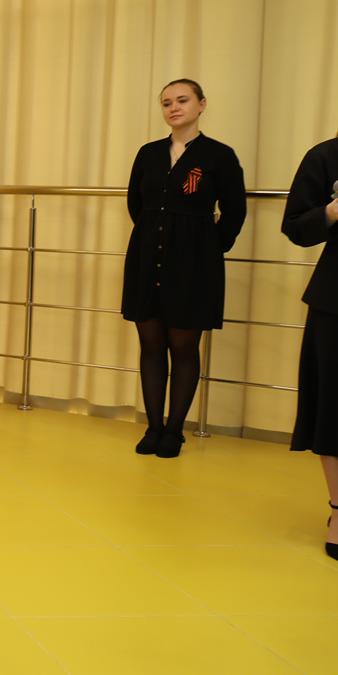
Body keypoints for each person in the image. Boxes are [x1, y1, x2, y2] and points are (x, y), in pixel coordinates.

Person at [120, 79, 245, 458]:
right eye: (166, 103)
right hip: (146, 257)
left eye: (182, 100)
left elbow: (234, 212)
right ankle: (153, 427)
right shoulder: (148, 153)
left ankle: (174, 431)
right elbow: (135, 203)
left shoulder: (219, 156)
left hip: (195, 264)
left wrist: (207, 248)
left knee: (184, 346)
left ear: (201, 104)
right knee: (151, 343)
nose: (174, 107)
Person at [282, 127, 338, 563]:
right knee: (334, 411)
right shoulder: (326, 156)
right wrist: (332, 212)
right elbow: (296, 226)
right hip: (336, 302)